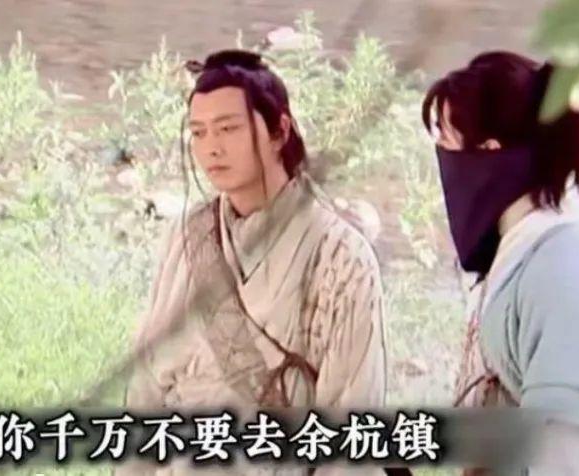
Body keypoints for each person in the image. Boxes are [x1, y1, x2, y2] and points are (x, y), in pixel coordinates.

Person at [116, 49, 387, 476]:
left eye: (228, 129)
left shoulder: (339, 255)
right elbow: (146, 391)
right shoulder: (187, 238)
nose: (212, 148)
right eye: (199, 133)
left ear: (279, 130)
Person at [421, 51, 579, 475]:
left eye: (447, 145)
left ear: (489, 154)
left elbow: (574, 459)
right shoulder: (528, 242)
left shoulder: (566, 272)